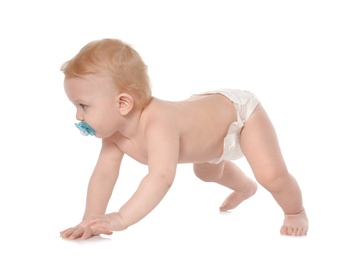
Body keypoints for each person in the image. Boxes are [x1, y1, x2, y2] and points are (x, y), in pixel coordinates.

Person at [60, 38, 308, 240]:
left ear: (123, 103)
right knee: (207, 173)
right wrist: (91, 220)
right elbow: (103, 176)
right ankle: (245, 188)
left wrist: (121, 218)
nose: (78, 115)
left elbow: (161, 177)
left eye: (83, 106)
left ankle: (295, 211)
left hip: (239, 116)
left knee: (270, 175)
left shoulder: (158, 123)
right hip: (208, 136)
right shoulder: (114, 135)